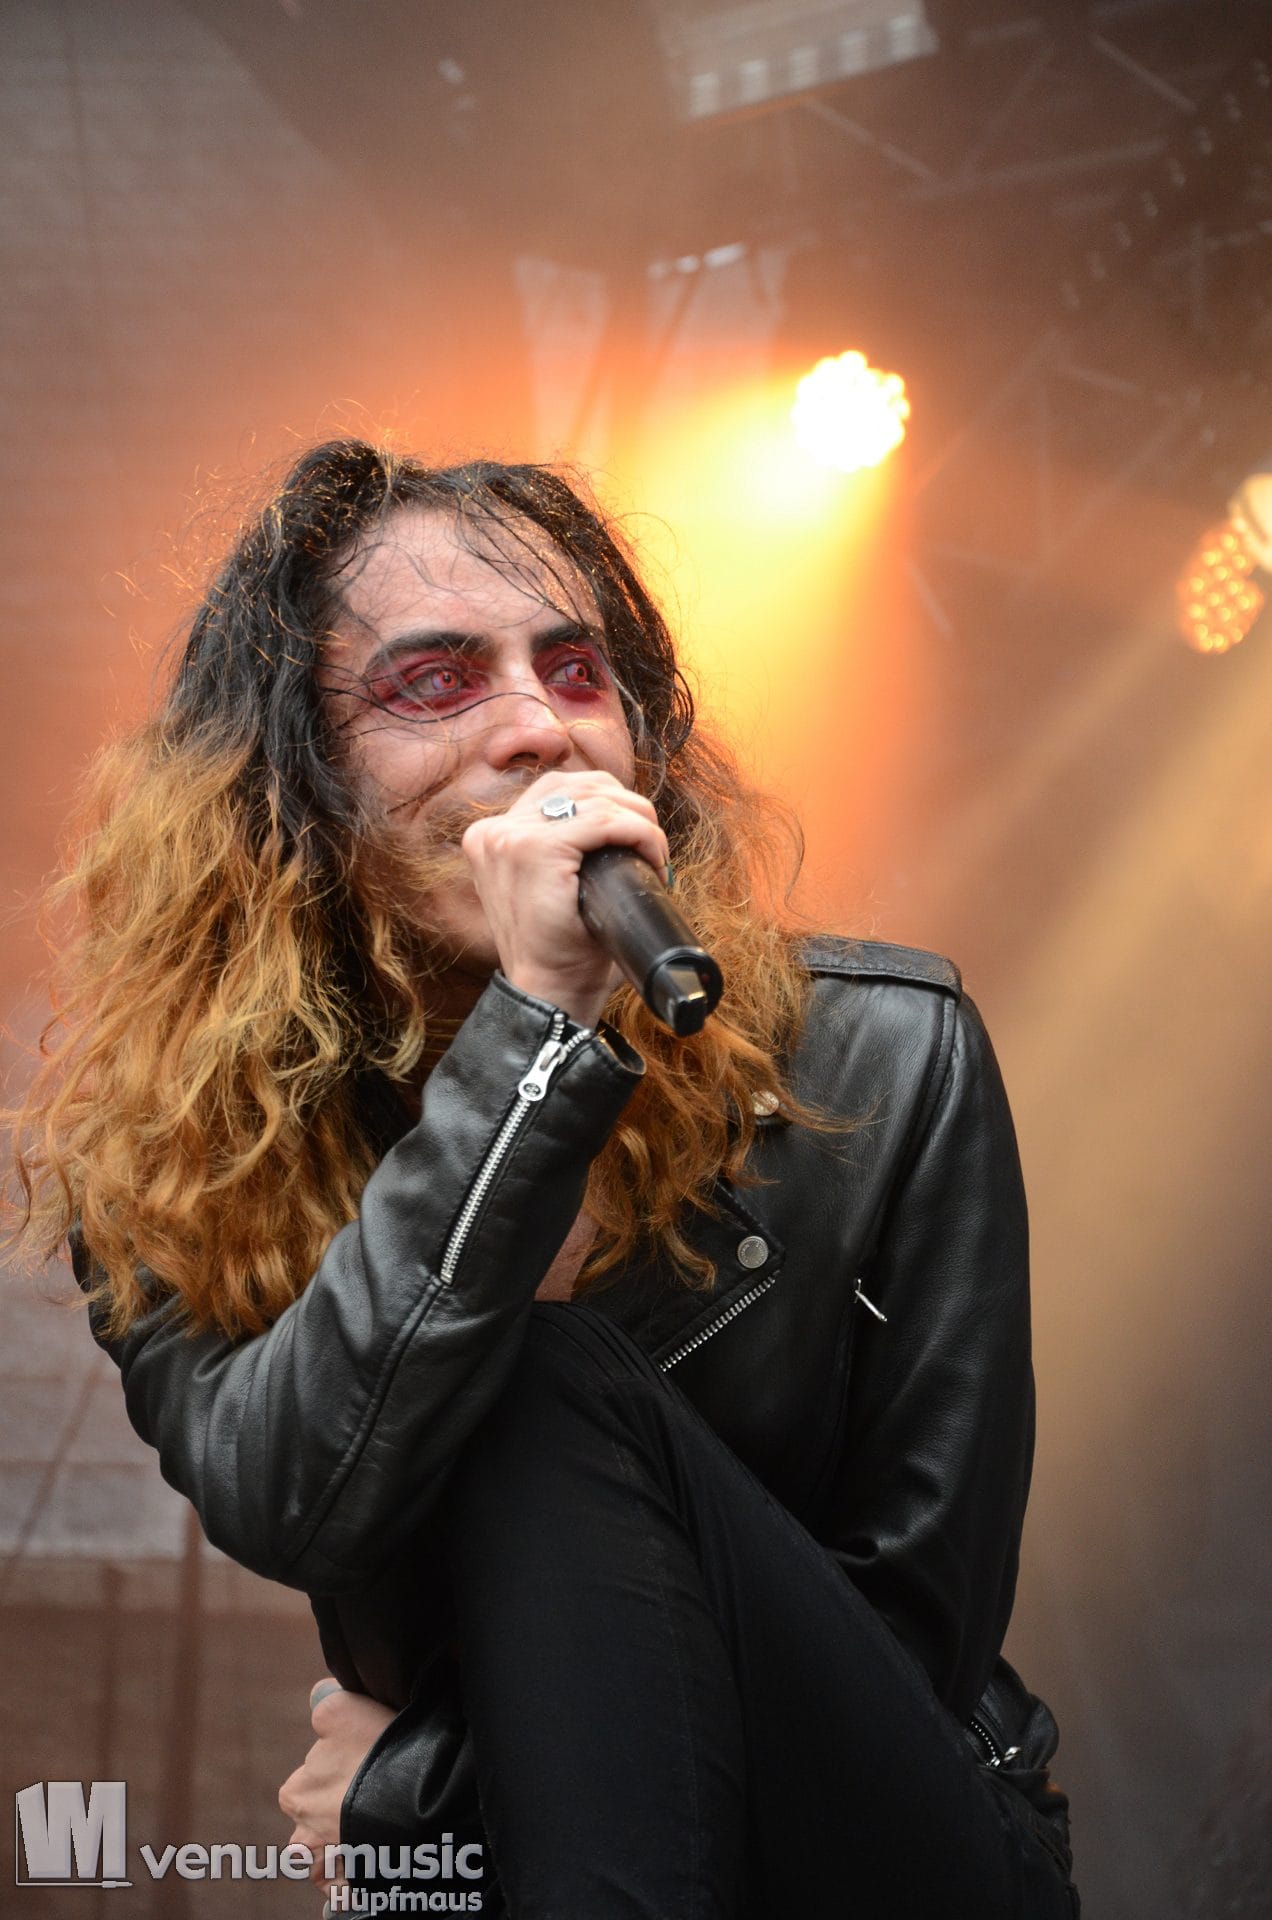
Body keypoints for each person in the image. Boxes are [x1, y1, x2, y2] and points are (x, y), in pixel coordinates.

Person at [10, 439, 1079, 1917]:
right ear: (298, 787)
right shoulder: (179, 1148)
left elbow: (918, 1634)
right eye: (436, 682)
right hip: (536, 1875)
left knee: (542, 1372)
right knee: (515, 1342)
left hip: (894, 1850)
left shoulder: (885, 1057)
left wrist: (416, 1789)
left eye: (577, 672)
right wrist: (537, 1036)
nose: (538, 728)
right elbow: (289, 1497)